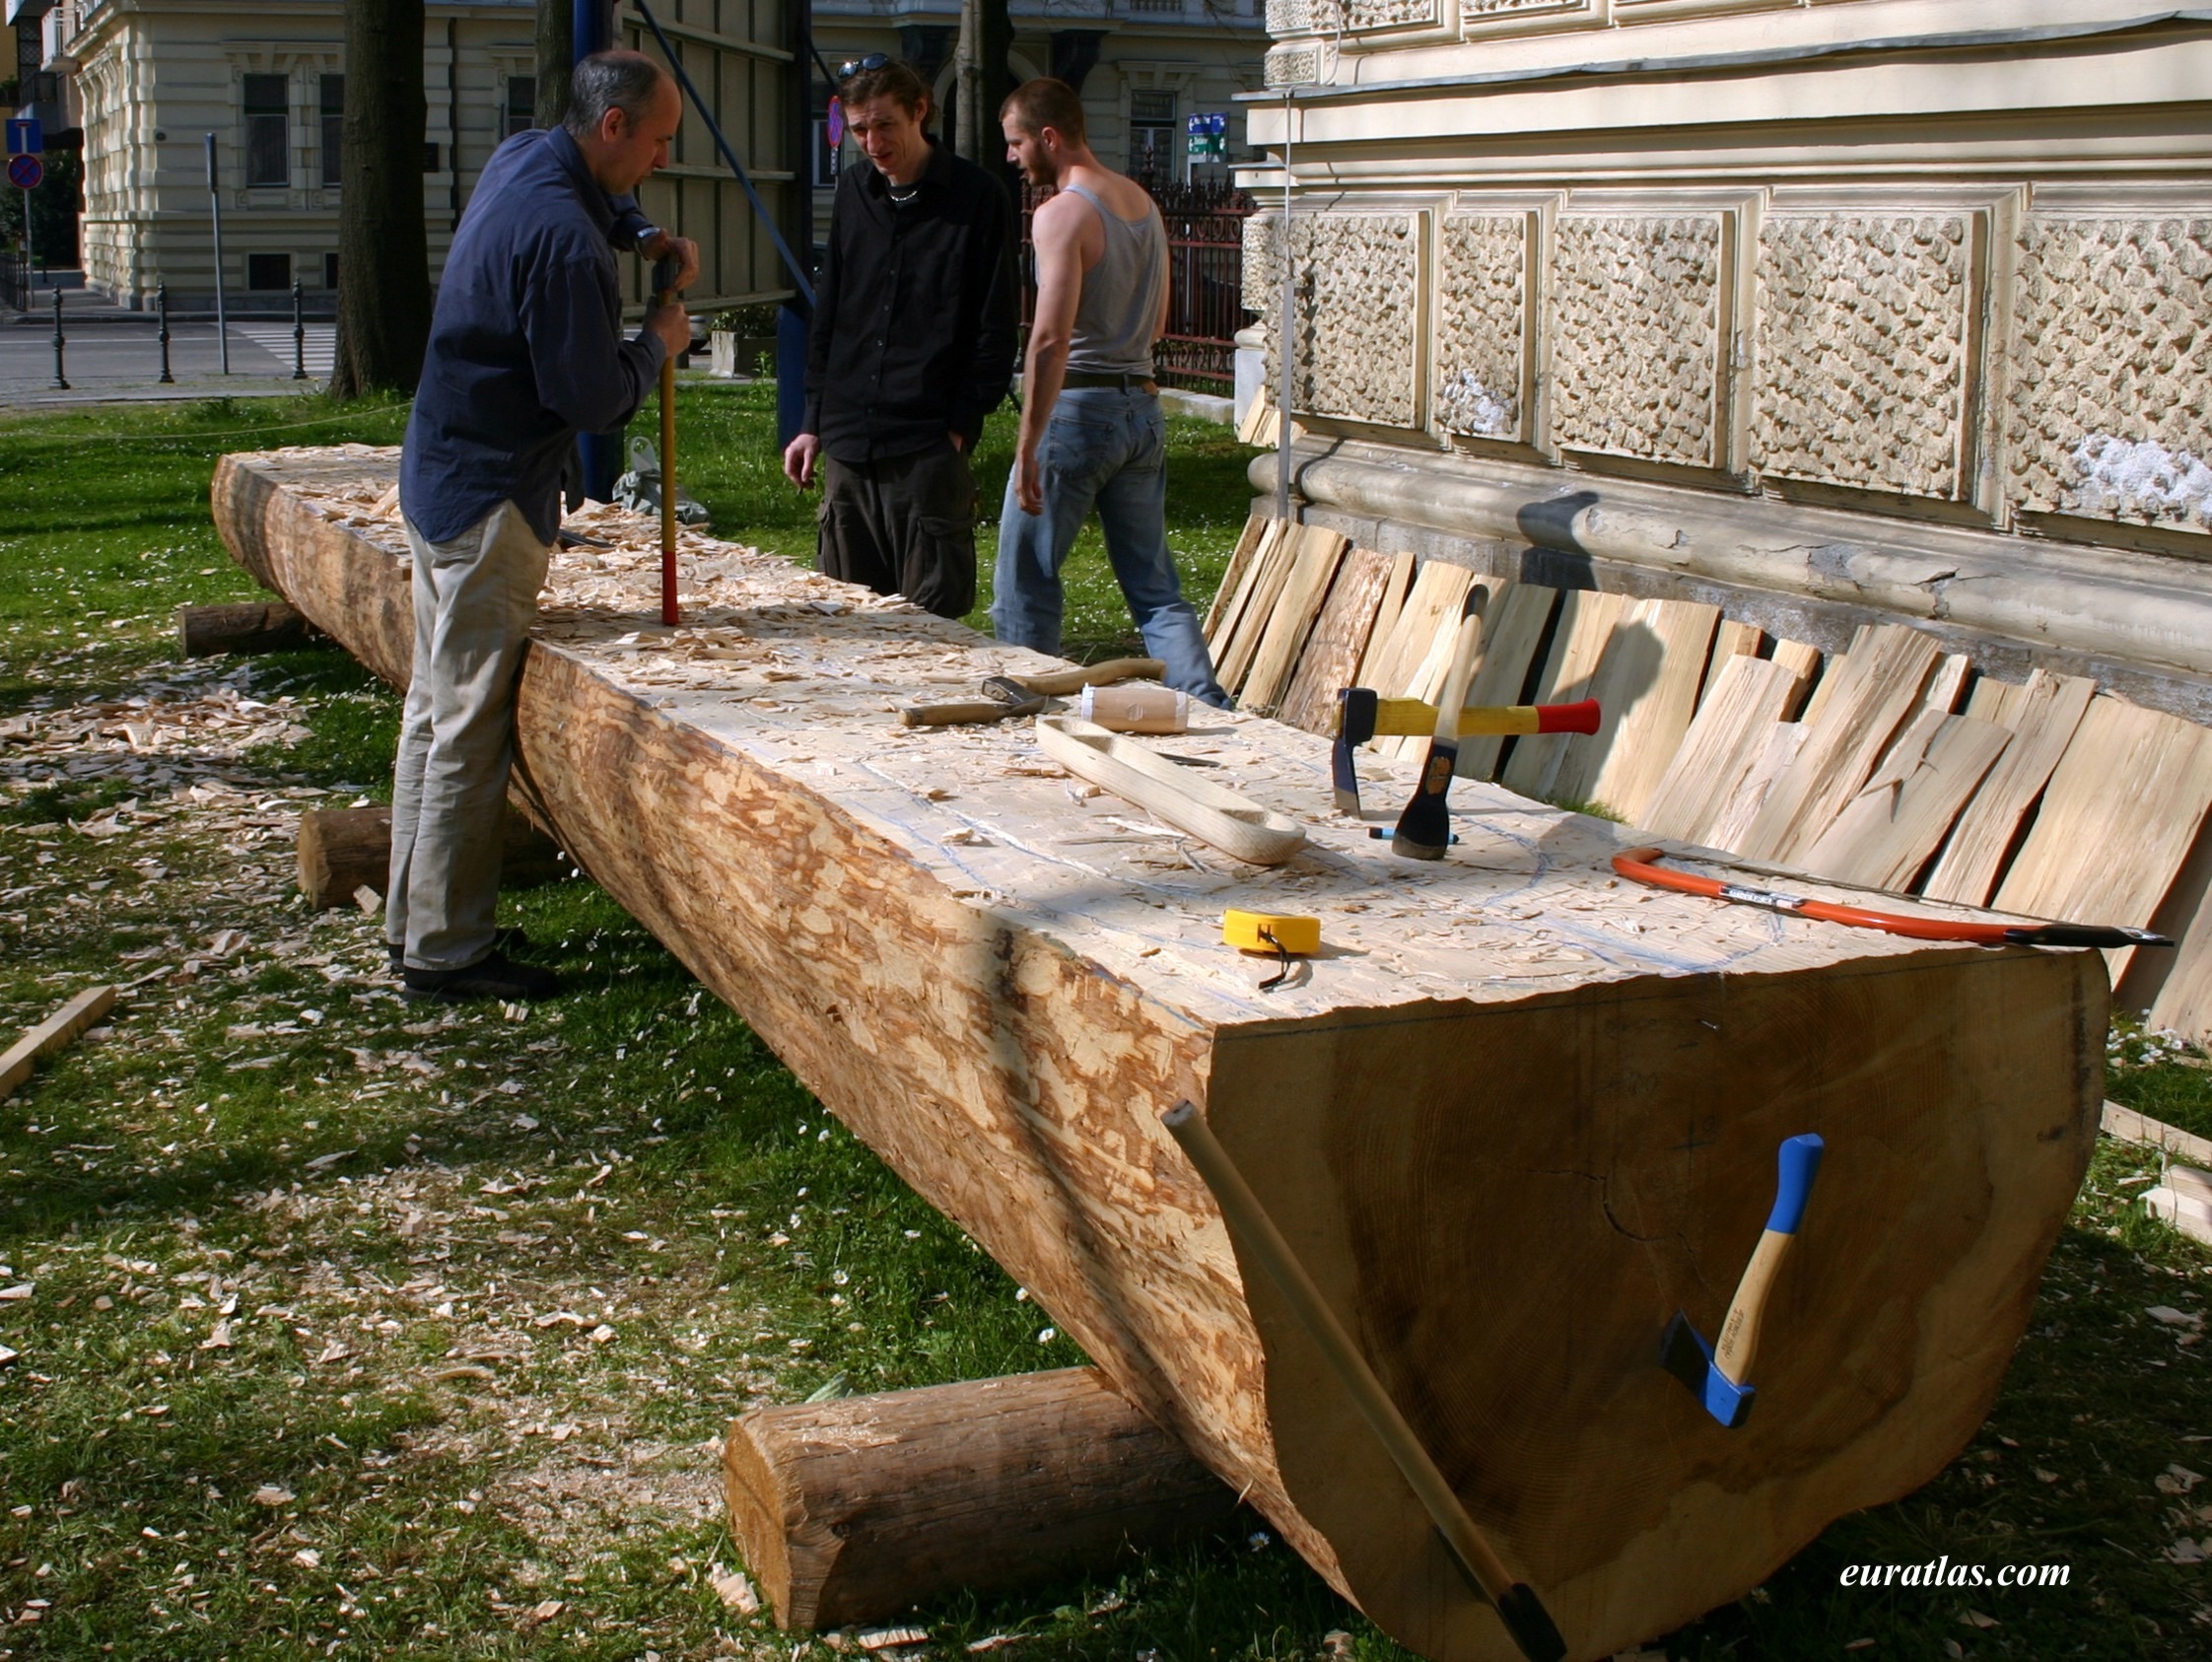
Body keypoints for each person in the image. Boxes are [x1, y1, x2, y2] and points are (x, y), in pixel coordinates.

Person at [392, 50, 697, 1003]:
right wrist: (659, 342)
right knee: (468, 726)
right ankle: (446, 952)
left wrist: (645, 236)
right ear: (613, 128)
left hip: (438, 469)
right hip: (488, 499)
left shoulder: (526, 158)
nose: (657, 159)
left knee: (430, 707)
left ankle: (416, 916)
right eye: (655, 143)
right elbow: (593, 398)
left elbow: (610, 206)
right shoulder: (563, 240)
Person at [992, 79, 1229, 707]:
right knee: (1155, 587)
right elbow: (1155, 324)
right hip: (1142, 411)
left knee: (1024, 580)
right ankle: (1208, 708)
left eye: (1016, 143)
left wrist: (1028, 445)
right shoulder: (1142, 205)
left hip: (1077, 412)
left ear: (1049, 136)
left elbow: (1049, 340)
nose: (1012, 158)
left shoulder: (1062, 214)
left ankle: (1024, 710)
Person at [783, 57, 1018, 619]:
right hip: (848, 438)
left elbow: (995, 323)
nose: (872, 142)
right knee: (848, 616)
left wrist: (960, 428)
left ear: (919, 112)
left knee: (930, 623)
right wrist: (813, 420)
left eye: (884, 125)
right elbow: (832, 310)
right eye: (860, 129)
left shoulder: (977, 197)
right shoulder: (853, 192)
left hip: (926, 441)